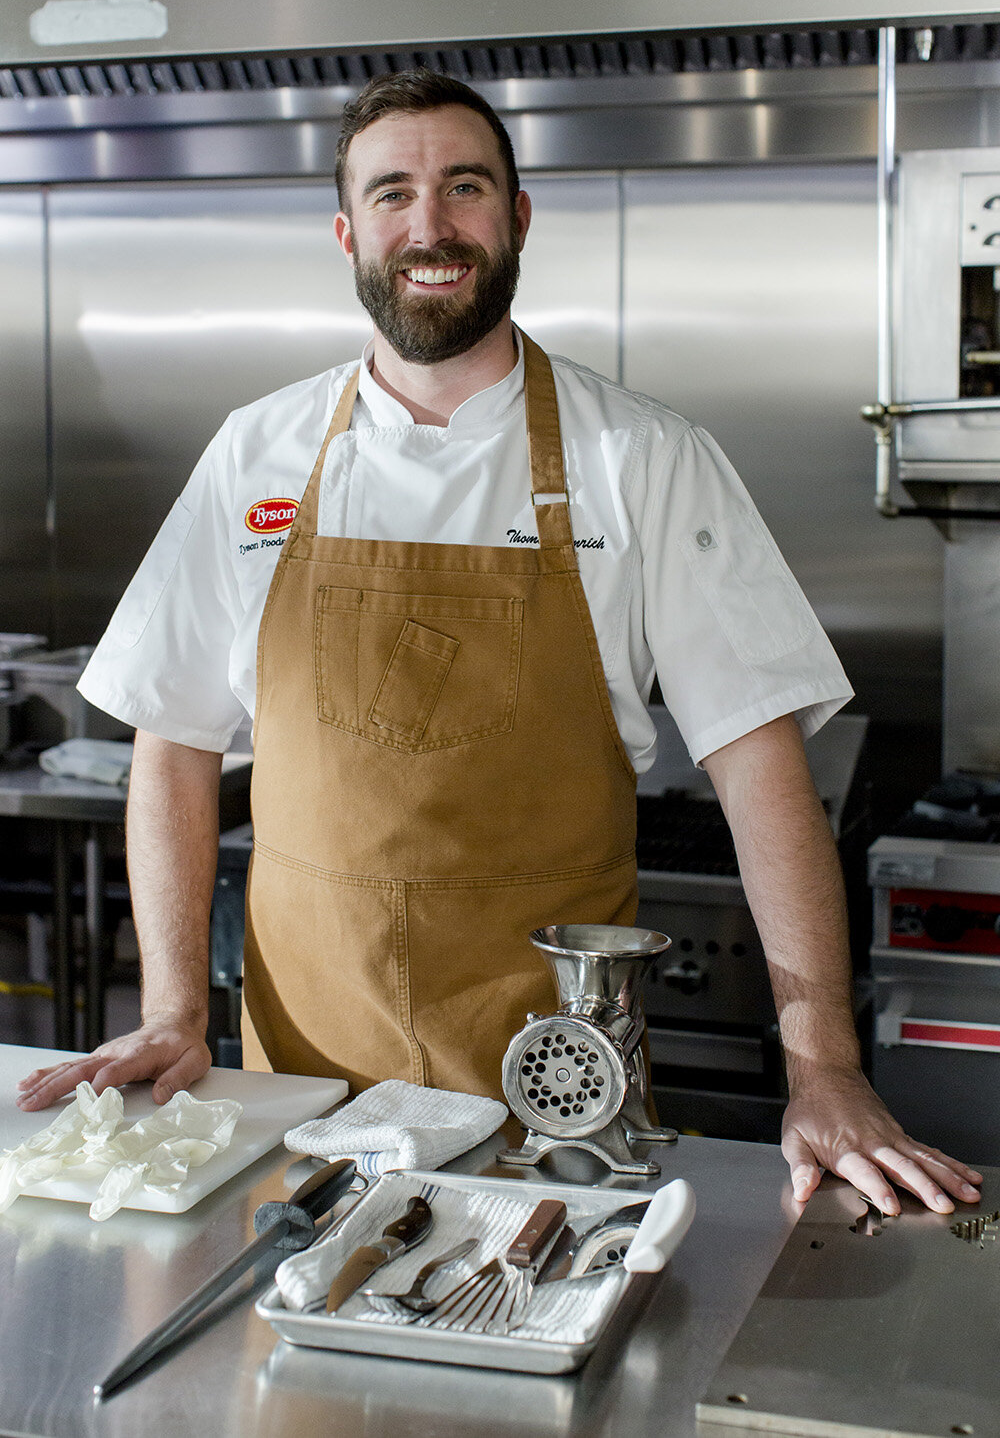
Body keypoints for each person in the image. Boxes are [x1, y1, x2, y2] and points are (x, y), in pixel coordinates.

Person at [16, 70, 980, 1219]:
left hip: (560, 1098)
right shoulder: (255, 453)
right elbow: (170, 742)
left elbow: (759, 768)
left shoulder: (643, 458)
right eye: (393, 194)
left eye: (464, 187)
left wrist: (824, 1066)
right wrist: (176, 1013)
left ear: (517, 217)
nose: (430, 226)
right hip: (297, 1096)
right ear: (348, 232)